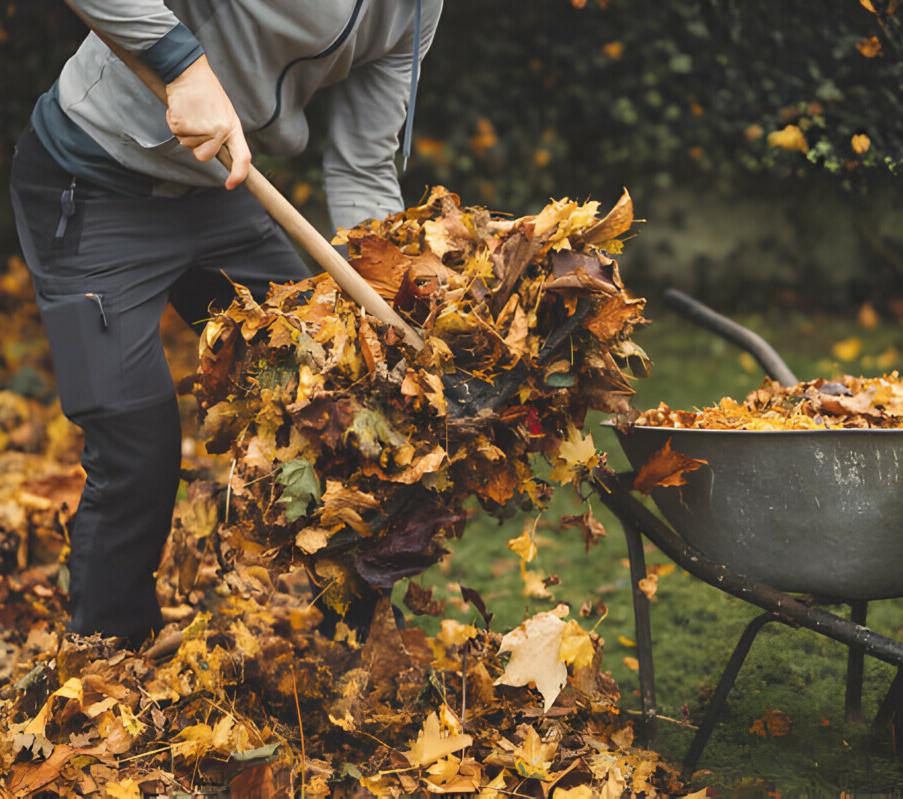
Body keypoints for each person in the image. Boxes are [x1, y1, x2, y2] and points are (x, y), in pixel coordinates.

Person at [9, 0, 442, 647]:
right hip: (91, 183)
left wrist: (386, 302)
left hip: (220, 193)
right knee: (137, 446)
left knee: (331, 398)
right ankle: (107, 652)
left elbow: (362, 166)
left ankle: (363, 644)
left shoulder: (415, 9)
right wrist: (181, 69)